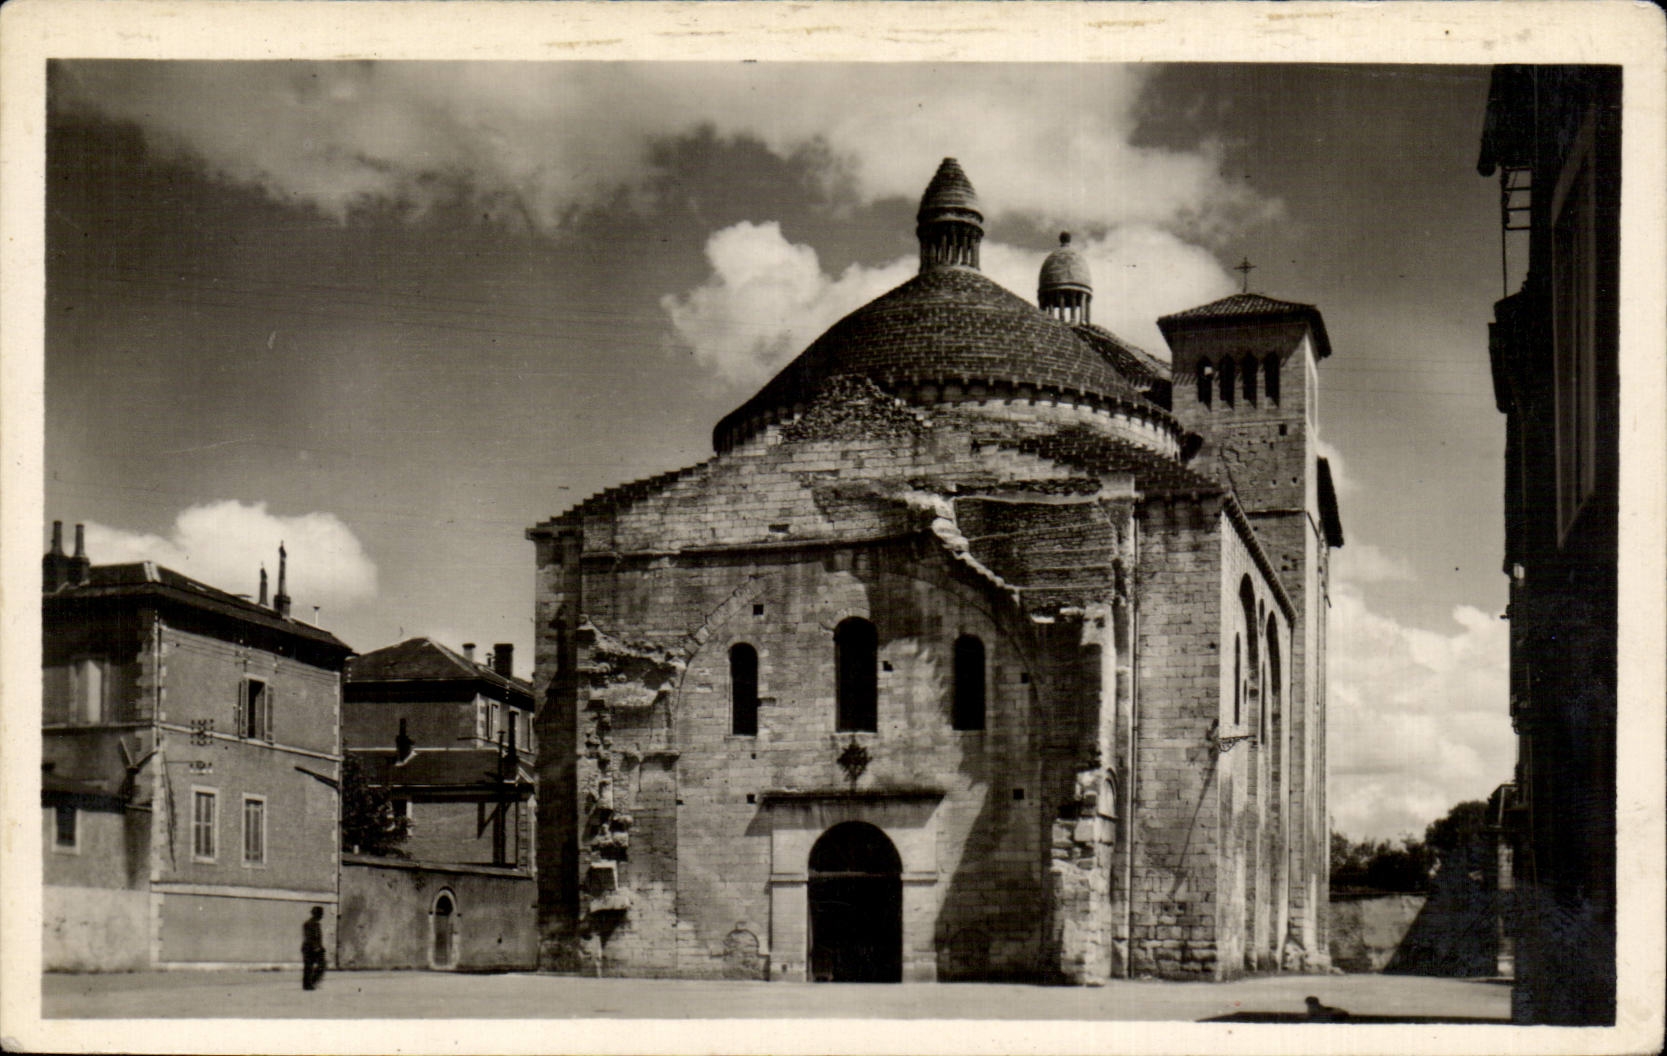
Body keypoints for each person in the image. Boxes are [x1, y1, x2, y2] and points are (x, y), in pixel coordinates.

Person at [301, 906, 327, 990]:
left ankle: (311, 982)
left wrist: (320, 947)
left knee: (321, 965)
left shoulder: (316, 924)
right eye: (321, 914)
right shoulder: (308, 924)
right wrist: (316, 947)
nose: (322, 916)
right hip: (309, 948)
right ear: (316, 914)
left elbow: (318, 937)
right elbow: (309, 937)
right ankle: (308, 984)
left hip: (316, 948)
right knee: (309, 966)